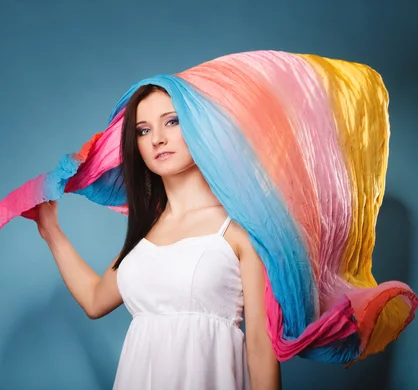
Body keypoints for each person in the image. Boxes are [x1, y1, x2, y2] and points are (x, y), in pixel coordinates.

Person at [30, 84, 282, 389]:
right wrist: (51, 232)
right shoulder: (146, 231)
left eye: (172, 121)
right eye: (143, 130)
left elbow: (259, 348)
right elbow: (95, 299)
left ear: (197, 125)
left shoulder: (239, 229)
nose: (157, 139)